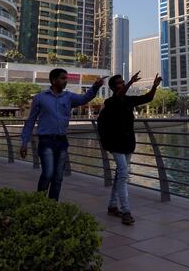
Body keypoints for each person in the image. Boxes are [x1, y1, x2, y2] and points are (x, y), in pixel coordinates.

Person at [20, 68, 106, 200]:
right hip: (46, 141)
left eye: (66, 78)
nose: (66, 81)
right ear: (54, 80)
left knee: (58, 177)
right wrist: (24, 142)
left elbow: (84, 99)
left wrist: (95, 87)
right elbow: (31, 120)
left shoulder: (69, 97)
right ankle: (39, 202)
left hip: (62, 142)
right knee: (48, 173)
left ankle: (52, 206)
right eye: (63, 78)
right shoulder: (40, 98)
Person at [98, 71, 161, 225]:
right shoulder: (111, 101)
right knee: (124, 174)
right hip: (115, 143)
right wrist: (131, 82)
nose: (122, 84)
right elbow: (118, 96)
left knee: (121, 174)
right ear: (113, 87)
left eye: (123, 82)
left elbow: (148, 98)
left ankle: (112, 206)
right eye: (119, 83)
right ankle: (126, 211)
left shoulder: (128, 100)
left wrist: (154, 86)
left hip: (128, 142)